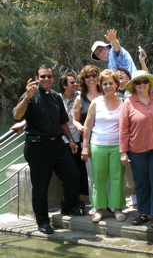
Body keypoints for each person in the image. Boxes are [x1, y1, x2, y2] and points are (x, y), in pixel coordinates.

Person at [13, 64, 85, 235]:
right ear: (37, 78)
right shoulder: (29, 96)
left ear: (53, 78)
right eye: (42, 76)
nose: (46, 79)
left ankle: (68, 207)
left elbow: (62, 122)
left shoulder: (55, 97)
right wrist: (27, 98)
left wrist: (71, 140)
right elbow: (17, 115)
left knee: (73, 175)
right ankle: (43, 222)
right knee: (40, 187)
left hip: (58, 145)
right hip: (38, 146)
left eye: (49, 76)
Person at [120, 70, 153, 228]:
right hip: (137, 149)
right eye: (138, 82)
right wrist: (123, 152)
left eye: (144, 81)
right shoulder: (129, 103)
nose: (142, 84)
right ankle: (143, 212)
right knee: (141, 182)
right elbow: (124, 129)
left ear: (149, 83)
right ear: (133, 86)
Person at [81, 69, 126, 223]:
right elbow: (87, 126)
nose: (108, 86)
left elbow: (126, 127)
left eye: (110, 83)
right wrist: (85, 147)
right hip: (98, 145)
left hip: (116, 146)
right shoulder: (96, 102)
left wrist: (124, 149)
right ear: (101, 85)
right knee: (98, 178)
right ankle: (99, 209)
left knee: (117, 178)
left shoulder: (123, 103)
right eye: (105, 83)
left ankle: (117, 208)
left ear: (117, 85)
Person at [73, 65, 103, 215]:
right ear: (83, 80)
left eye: (93, 75)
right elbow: (75, 119)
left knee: (110, 174)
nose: (91, 78)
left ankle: (110, 203)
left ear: (98, 77)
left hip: (107, 139)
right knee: (92, 174)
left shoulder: (106, 93)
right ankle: (95, 203)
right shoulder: (80, 98)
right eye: (87, 76)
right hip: (88, 141)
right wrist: (78, 126)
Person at [59, 74, 88, 209]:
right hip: (63, 139)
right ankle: (71, 199)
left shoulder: (80, 96)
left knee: (79, 169)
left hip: (78, 138)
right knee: (68, 172)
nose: (75, 84)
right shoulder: (57, 98)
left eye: (75, 82)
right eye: (71, 82)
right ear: (64, 85)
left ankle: (80, 198)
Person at [115, 67, 137, 206]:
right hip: (113, 134)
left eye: (122, 73)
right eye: (116, 75)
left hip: (132, 134)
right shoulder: (111, 92)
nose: (119, 75)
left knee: (131, 168)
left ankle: (135, 194)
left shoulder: (134, 92)